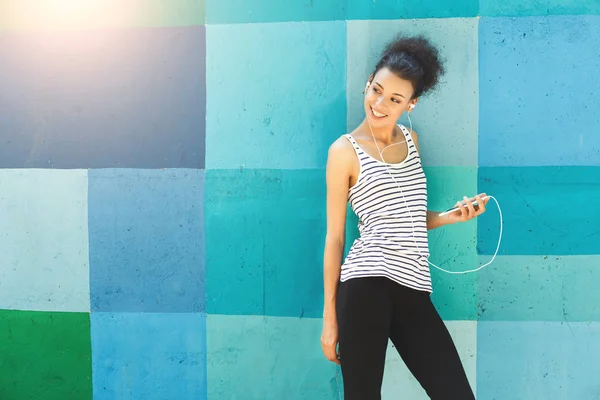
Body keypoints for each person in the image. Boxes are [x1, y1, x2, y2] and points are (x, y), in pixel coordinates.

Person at [320, 34, 488, 400]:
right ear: (368, 83)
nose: (379, 103)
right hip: (365, 285)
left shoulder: (411, 140)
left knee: (457, 394)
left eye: (394, 99)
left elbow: (406, 215)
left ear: (410, 104)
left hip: (413, 287)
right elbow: (335, 238)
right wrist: (329, 319)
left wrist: (451, 217)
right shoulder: (344, 151)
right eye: (376, 90)